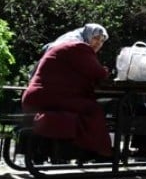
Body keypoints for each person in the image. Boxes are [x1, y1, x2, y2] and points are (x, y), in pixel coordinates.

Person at [22, 24, 113, 157]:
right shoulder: (78, 46)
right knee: (93, 109)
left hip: (38, 97)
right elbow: (99, 74)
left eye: (102, 41)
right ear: (87, 35)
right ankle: (99, 151)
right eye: (96, 38)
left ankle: (89, 149)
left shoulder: (64, 43)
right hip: (47, 98)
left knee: (87, 106)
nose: (98, 43)